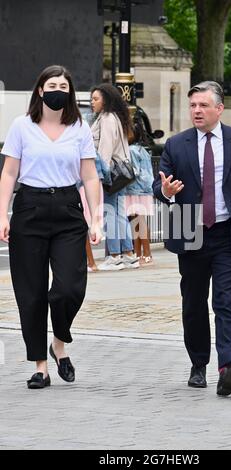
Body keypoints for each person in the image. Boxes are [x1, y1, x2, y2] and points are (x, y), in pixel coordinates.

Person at [153, 81, 231, 396]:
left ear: (219, 108)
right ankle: (198, 364)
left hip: (230, 234)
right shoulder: (176, 145)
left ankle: (228, 367)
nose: (197, 111)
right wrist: (165, 191)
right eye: (193, 106)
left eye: (203, 105)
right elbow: (157, 187)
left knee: (225, 301)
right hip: (189, 229)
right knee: (193, 303)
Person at [0, 65, 101, 389]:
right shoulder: (22, 126)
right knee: (30, 293)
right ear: (41, 90)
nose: (58, 88)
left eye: (64, 84)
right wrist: (2, 214)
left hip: (68, 212)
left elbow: (89, 176)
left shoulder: (79, 127)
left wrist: (96, 218)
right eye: (52, 84)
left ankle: (59, 342)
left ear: (70, 92)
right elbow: (9, 173)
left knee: (69, 288)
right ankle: (40, 366)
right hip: (30, 209)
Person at [90, 83, 139, 270]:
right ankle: (128, 254)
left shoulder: (107, 119)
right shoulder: (115, 117)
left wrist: (101, 174)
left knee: (110, 213)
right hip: (121, 173)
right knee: (119, 213)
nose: (92, 102)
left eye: (96, 99)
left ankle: (114, 256)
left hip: (110, 173)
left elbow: (105, 149)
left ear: (106, 100)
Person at [125, 127, 155, 265]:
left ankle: (146, 253)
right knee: (139, 221)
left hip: (135, 188)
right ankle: (139, 253)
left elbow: (134, 171)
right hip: (146, 187)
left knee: (138, 221)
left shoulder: (131, 150)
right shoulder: (142, 150)